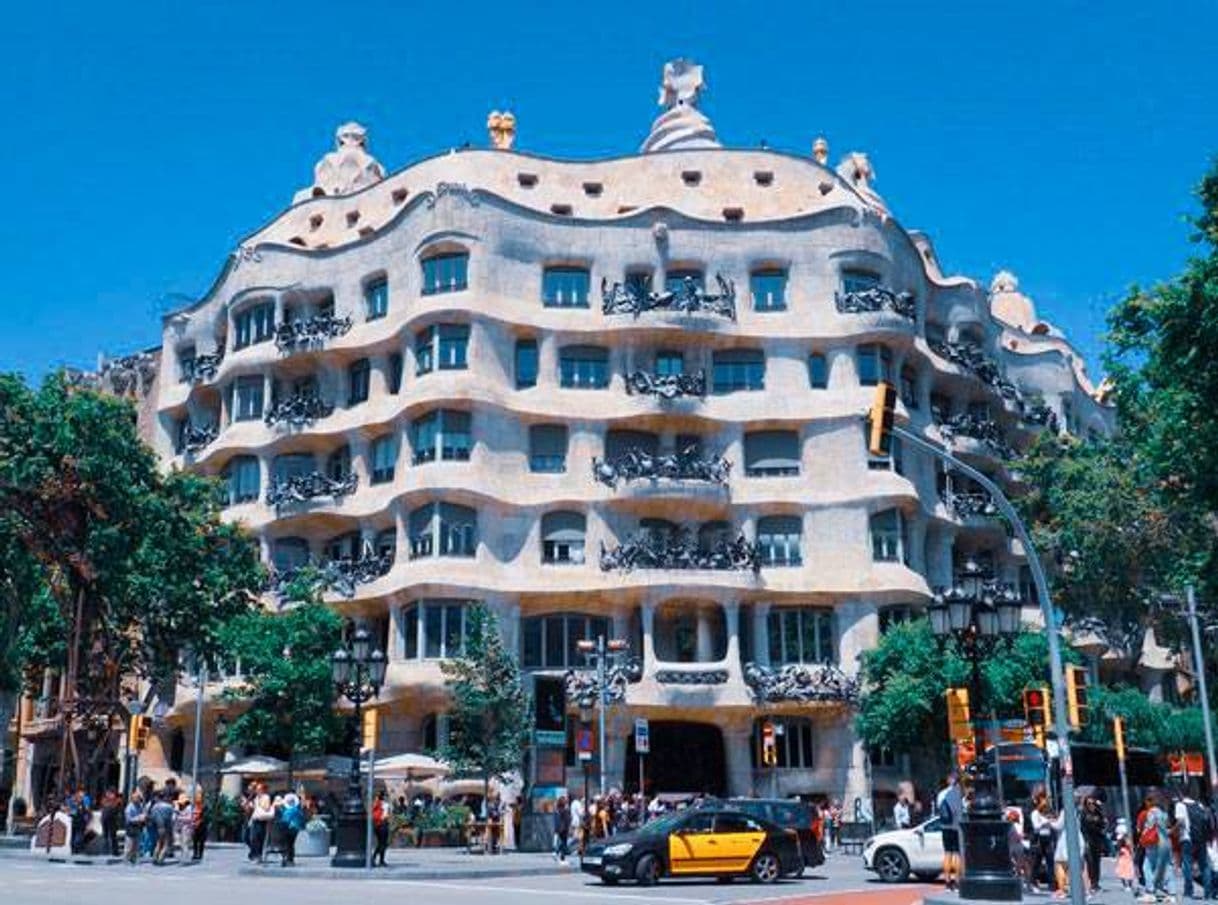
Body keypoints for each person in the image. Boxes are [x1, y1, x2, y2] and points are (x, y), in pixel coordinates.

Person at [1178, 789, 1213, 900]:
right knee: (1204, 865)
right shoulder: (1199, 805)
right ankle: (1208, 892)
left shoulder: (1180, 805)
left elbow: (1181, 822)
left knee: (1187, 865)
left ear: (1181, 794)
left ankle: (1189, 891)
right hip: (1201, 839)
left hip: (1187, 839)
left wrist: (1172, 831)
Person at [935, 773, 964, 892]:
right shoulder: (957, 793)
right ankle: (956, 881)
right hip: (956, 827)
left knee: (947, 853)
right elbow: (960, 810)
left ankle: (947, 881)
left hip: (944, 826)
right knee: (956, 854)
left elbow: (939, 809)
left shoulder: (941, 794)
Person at [1079, 795, 1106, 893]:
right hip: (1088, 839)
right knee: (1090, 862)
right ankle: (1091, 883)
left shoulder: (1098, 813)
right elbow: (1083, 827)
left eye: (1093, 803)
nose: (1091, 805)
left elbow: (1103, 824)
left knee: (1097, 862)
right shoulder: (1084, 814)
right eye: (1089, 803)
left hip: (1097, 840)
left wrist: (1099, 822)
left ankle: (1096, 883)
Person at [150, 790, 176, 865]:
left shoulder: (155, 806)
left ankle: (155, 857)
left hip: (158, 827)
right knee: (166, 844)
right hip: (167, 827)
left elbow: (153, 817)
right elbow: (173, 818)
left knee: (159, 843)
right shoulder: (169, 807)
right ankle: (161, 859)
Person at [280, 792, 305, 867]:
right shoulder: (297, 810)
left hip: (287, 828)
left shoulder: (286, 811)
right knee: (291, 844)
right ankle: (290, 858)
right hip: (295, 829)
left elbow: (284, 820)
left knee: (287, 844)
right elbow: (301, 819)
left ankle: (287, 858)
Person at [123, 791, 146, 864]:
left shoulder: (140, 806)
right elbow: (129, 819)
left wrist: (143, 817)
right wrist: (139, 818)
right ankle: (126, 859)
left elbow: (143, 813)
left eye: (139, 798)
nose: (139, 799)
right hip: (131, 827)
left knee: (136, 844)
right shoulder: (129, 808)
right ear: (133, 799)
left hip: (138, 827)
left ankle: (134, 859)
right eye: (137, 798)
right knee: (129, 845)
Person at [100, 788, 121, 856]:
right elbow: (103, 806)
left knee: (113, 836)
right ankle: (105, 851)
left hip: (112, 820)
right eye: (108, 793)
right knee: (105, 836)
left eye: (110, 793)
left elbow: (115, 808)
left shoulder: (117, 801)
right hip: (105, 819)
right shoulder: (105, 800)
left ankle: (114, 852)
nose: (108, 795)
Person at [370, 790, 389, 867]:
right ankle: (380, 860)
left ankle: (375, 858)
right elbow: (385, 816)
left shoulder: (375, 803)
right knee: (383, 843)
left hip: (376, 826)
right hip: (383, 825)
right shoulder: (385, 804)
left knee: (380, 843)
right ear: (384, 796)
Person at [553, 795, 571, 863]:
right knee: (564, 842)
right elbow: (567, 820)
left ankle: (559, 854)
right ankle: (559, 855)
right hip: (564, 828)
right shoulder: (565, 810)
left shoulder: (558, 810)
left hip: (559, 828)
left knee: (563, 842)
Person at [190, 791, 207, 861]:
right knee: (195, 841)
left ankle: (199, 854)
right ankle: (195, 853)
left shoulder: (204, 807)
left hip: (201, 825)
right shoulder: (194, 807)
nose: (198, 800)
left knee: (201, 841)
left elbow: (205, 817)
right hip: (195, 825)